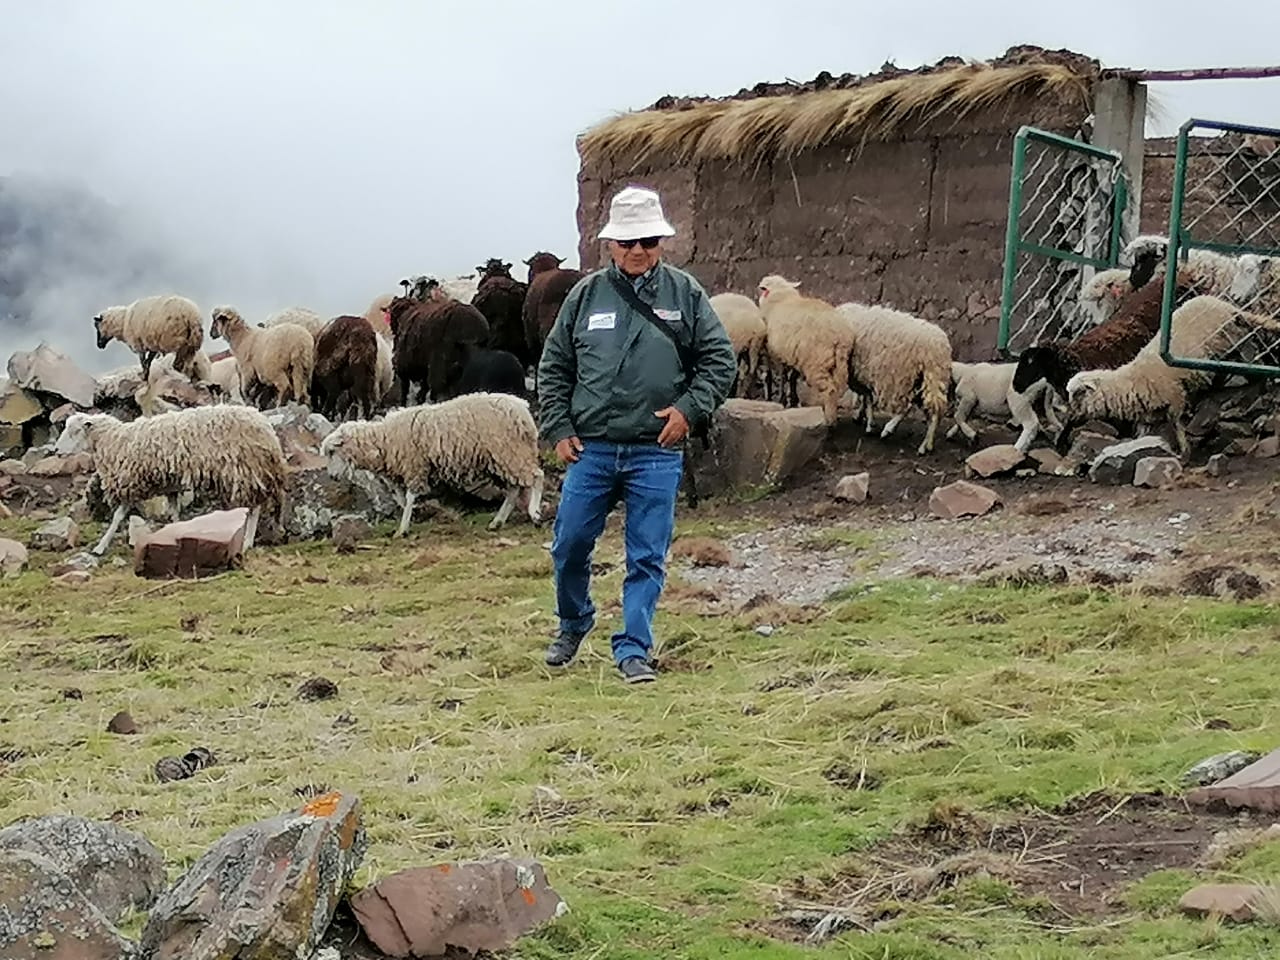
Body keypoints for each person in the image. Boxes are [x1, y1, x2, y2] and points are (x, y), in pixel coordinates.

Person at [536, 185, 737, 684]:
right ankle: (574, 621)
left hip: (656, 451)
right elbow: (555, 365)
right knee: (569, 545)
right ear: (610, 244)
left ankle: (633, 648)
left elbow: (719, 359)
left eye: (647, 240)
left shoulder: (684, 294)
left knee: (646, 554)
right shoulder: (584, 296)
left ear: (661, 242)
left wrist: (689, 410)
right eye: (627, 242)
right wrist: (558, 426)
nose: (637, 250)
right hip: (593, 449)